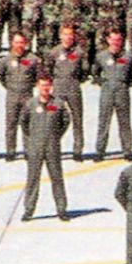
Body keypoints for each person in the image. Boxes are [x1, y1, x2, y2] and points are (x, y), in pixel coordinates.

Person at [20, 77, 69, 221]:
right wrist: (33, 138)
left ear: (51, 86)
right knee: (32, 179)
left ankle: (61, 210)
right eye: (42, 85)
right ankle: (29, 210)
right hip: (35, 146)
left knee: (57, 178)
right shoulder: (30, 104)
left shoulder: (58, 104)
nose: (45, 88)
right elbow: (24, 123)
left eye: (48, 85)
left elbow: (65, 121)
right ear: (37, 86)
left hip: (52, 146)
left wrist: (55, 135)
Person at [93, 29, 132, 161]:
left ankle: (127, 150)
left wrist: (124, 83)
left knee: (124, 122)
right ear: (108, 40)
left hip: (122, 91)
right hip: (107, 91)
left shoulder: (128, 57)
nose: (116, 42)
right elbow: (95, 73)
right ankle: (100, 151)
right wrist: (104, 83)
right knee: (103, 122)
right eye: (113, 39)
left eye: (118, 40)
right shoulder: (101, 56)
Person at [48, 24, 88, 161]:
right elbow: (48, 69)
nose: (68, 37)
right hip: (58, 88)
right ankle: (53, 149)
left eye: (70, 35)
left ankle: (78, 150)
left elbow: (84, 71)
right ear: (60, 36)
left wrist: (76, 81)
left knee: (77, 119)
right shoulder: (54, 52)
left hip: (73, 87)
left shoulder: (79, 52)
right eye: (65, 34)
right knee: (54, 119)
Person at [0, 32, 37, 160]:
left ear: (25, 44)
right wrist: (9, 87)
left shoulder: (32, 59)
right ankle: (10, 151)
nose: (19, 45)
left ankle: (28, 150)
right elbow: (0, 75)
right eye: (16, 42)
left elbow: (37, 76)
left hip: (27, 95)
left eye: (21, 42)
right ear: (12, 43)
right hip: (12, 95)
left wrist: (28, 86)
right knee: (11, 124)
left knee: (27, 123)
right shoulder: (6, 60)